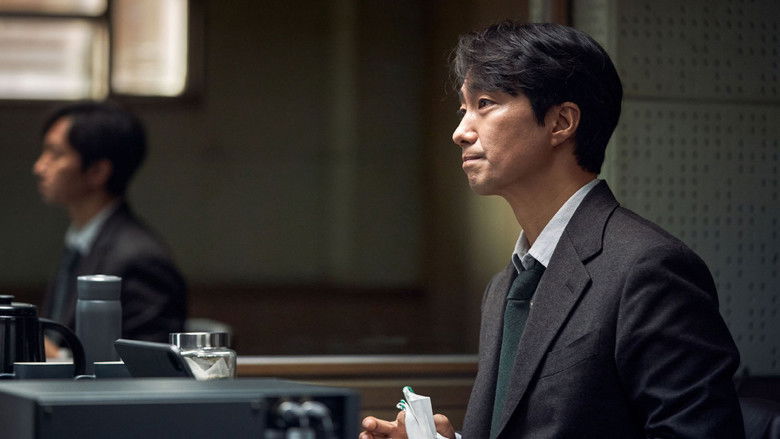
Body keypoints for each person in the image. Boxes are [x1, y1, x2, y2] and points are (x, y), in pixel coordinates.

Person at [360, 22, 744, 438]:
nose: (460, 133)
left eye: (485, 103)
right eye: (463, 110)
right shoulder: (505, 286)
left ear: (561, 122)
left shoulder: (649, 270)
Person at [33, 101, 187, 348]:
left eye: (56, 154)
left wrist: (56, 357)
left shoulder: (140, 259)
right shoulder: (81, 241)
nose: (39, 167)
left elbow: (151, 360)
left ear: (97, 172)